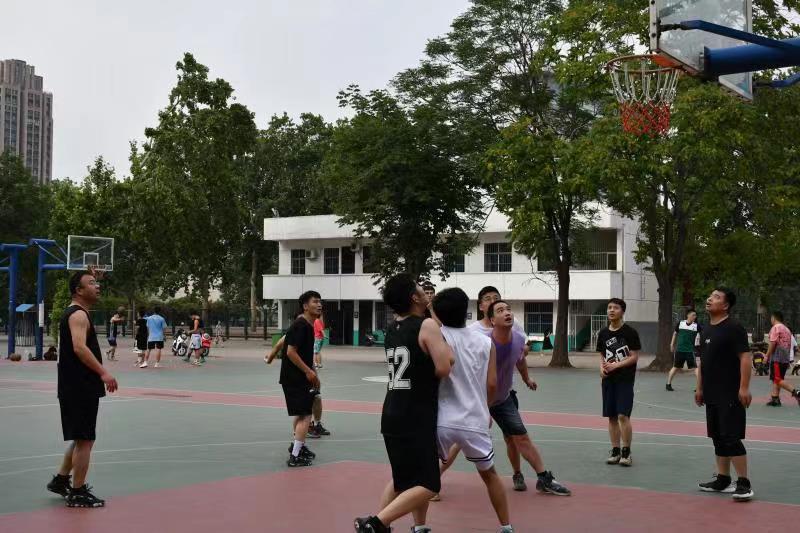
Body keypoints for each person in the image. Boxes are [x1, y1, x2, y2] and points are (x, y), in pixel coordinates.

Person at [354, 274, 454, 533]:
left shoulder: (392, 329)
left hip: (392, 411)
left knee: (404, 481)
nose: (425, 292)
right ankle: (376, 524)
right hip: (416, 412)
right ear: (414, 297)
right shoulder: (427, 325)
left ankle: (417, 526)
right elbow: (444, 367)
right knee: (429, 484)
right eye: (421, 289)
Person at [443, 300, 569, 497]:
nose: (507, 313)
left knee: (521, 437)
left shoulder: (518, 339)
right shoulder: (481, 341)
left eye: (508, 309)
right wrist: (482, 408)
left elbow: (520, 360)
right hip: (478, 399)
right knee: (459, 441)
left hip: (502, 399)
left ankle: (544, 479)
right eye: (501, 311)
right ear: (492, 320)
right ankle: (431, 481)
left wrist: (527, 378)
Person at [432, 288, 513, 533]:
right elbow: (492, 383)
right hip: (475, 419)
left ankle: (420, 525)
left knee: (425, 475)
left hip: (442, 418)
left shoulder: (437, 337)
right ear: (466, 309)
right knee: (490, 475)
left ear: (438, 314)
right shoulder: (485, 342)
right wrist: (485, 409)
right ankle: (506, 526)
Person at [47, 270, 118, 508]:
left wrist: (92, 275)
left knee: (81, 437)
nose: (97, 286)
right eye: (92, 283)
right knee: (85, 440)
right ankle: (77, 492)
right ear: (78, 290)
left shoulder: (76, 311)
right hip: (79, 386)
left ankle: (60, 480)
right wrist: (103, 372)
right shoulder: (78, 315)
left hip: (75, 385)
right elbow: (79, 348)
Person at [695, 287, 754, 501]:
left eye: (716, 297)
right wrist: (700, 388)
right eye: (710, 296)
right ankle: (723, 479)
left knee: (731, 437)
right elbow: (703, 363)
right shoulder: (706, 329)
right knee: (717, 437)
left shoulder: (734, 328)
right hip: (711, 392)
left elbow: (745, 358)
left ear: (726, 305)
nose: (710, 299)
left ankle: (744, 483)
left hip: (729, 392)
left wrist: (744, 387)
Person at [281, 291, 323, 467]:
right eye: (315, 301)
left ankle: (298, 446)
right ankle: (295, 456)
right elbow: (290, 352)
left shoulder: (308, 325)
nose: (319, 304)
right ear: (305, 306)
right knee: (306, 415)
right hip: (295, 378)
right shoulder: (301, 325)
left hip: (297, 377)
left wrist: (313, 372)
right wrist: (308, 372)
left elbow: (305, 354)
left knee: (301, 414)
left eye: (320, 302)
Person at [597, 298, 641, 467]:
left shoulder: (630, 332)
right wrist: (601, 368)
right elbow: (601, 354)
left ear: (622, 312)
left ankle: (626, 452)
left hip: (625, 380)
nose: (611, 310)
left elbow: (634, 356)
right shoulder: (603, 333)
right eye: (609, 307)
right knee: (612, 417)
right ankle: (615, 450)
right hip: (608, 380)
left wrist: (616, 365)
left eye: (615, 308)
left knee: (623, 415)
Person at [764, 311, 800, 406]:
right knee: (778, 379)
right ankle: (775, 398)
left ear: (773, 318)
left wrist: (767, 356)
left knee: (777, 379)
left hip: (777, 357)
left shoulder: (775, 328)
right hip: (785, 357)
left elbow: (772, 343)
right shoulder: (787, 329)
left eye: (771, 318)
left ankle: (796, 392)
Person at [666, 309, 701, 391]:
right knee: (675, 367)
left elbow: (703, 334)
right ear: (688, 315)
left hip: (690, 351)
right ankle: (668, 384)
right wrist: (671, 344)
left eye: (695, 315)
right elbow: (675, 334)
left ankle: (699, 387)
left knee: (695, 368)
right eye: (693, 315)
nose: (695, 317)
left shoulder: (696, 326)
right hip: (679, 350)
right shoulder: (680, 323)